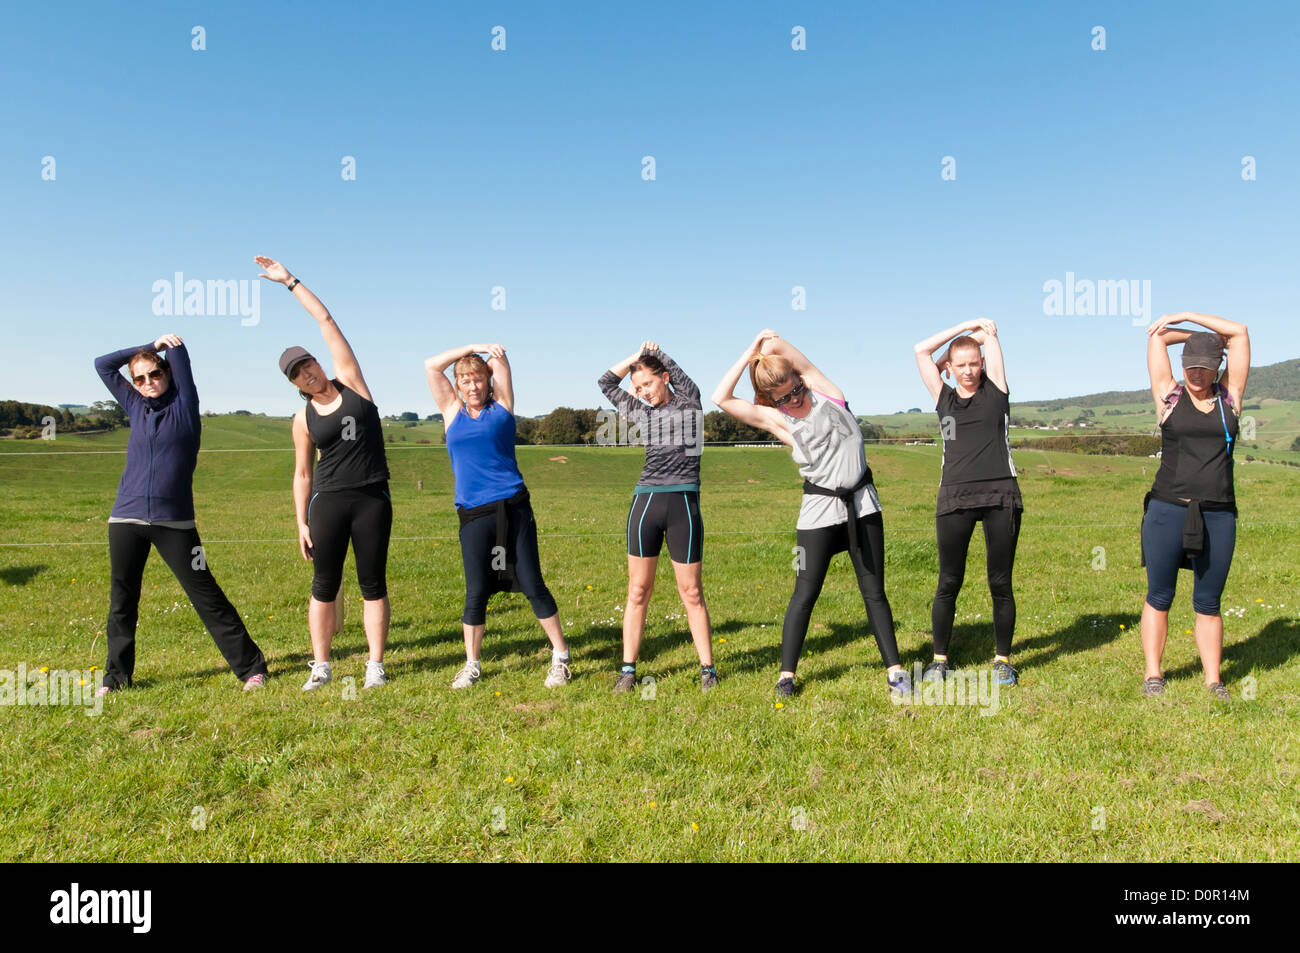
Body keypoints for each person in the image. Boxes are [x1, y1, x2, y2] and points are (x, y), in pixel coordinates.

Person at [712, 330, 909, 697]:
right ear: (773, 400)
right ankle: (786, 676)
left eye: (795, 390)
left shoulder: (830, 396)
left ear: (801, 378)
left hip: (863, 508)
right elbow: (720, 397)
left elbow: (784, 350)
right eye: (782, 398)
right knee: (805, 593)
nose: (793, 399)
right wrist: (748, 354)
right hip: (817, 516)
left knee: (874, 591)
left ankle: (895, 673)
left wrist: (768, 344)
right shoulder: (780, 420)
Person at [94, 334, 269, 694]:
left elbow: (180, 357)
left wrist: (165, 349)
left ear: (167, 373)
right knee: (122, 600)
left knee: (206, 595)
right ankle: (116, 678)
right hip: (125, 520)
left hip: (175, 524)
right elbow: (102, 364)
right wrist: (146, 347)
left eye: (154, 375)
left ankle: (252, 667)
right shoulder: (134, 405)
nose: (147, 383)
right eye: (139, 378)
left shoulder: (185, 405)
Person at [258, 256, 391, 691]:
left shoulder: (353, 383)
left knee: (373, 583)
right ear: (295, 383)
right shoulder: (303, 419)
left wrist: (289, 281)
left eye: (309, 364)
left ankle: (375, 665)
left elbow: (326, 319)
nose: (309, 374)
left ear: (318, 362)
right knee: (324, 586)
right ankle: (321, 665)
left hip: (371, 499)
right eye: (299, 374)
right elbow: (301, 474)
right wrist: (300, 521)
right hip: (328, 504)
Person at [424, 343, 572, 689]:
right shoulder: (451, 411)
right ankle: (472, 664)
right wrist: (470, 347)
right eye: (464, 380)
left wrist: (490, 356)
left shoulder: (503, 406)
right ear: (457, 385)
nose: (472, 386)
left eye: (477, 379)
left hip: (513, 507)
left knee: (533, 584)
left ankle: (561, 657)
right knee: (476, 590)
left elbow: (500, 361)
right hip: (473, 514)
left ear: (488, 382)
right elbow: (431, 366)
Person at [1140, 312, 1250, 700]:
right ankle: (1154, 674)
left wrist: (1192, 321)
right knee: (1160, 595)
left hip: (1219, 513)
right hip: (1167, 510)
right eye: (1190, 365)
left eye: (1204, 367)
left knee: (1208, 600)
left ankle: (1212, 679)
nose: (1196, 374)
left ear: (1217, 365)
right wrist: (1192, 337)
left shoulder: (1229, 398)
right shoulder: (1169, 395)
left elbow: (1239, 332)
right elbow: (1156, 337)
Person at [599, 341, 716, 692]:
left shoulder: (690, 402)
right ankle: (628, 671)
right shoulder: (642, 412)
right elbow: (605, 382)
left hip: (684, 505)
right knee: (637, 590)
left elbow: (684, 379)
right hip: (646, 504)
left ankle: (708, 670)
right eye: (636, 389)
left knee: (691, 591)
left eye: (647, 384)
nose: (642, 393)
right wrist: (635, 359)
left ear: (665, 378)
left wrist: (659, 354)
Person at [913, 319, 1023, 686]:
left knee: (1000, 582)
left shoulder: (997, 391)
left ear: (982, 363)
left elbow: (991, 336)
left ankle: (1003, 661)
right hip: (955, 498)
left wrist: (977, 336)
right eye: (960, 365)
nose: (969, 370)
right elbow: (920, 350)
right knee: (948, 581)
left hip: (1001, 496)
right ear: (950, 367)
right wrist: (960, 331)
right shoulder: (943, 397)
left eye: (974, 362)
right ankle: (940, 660)